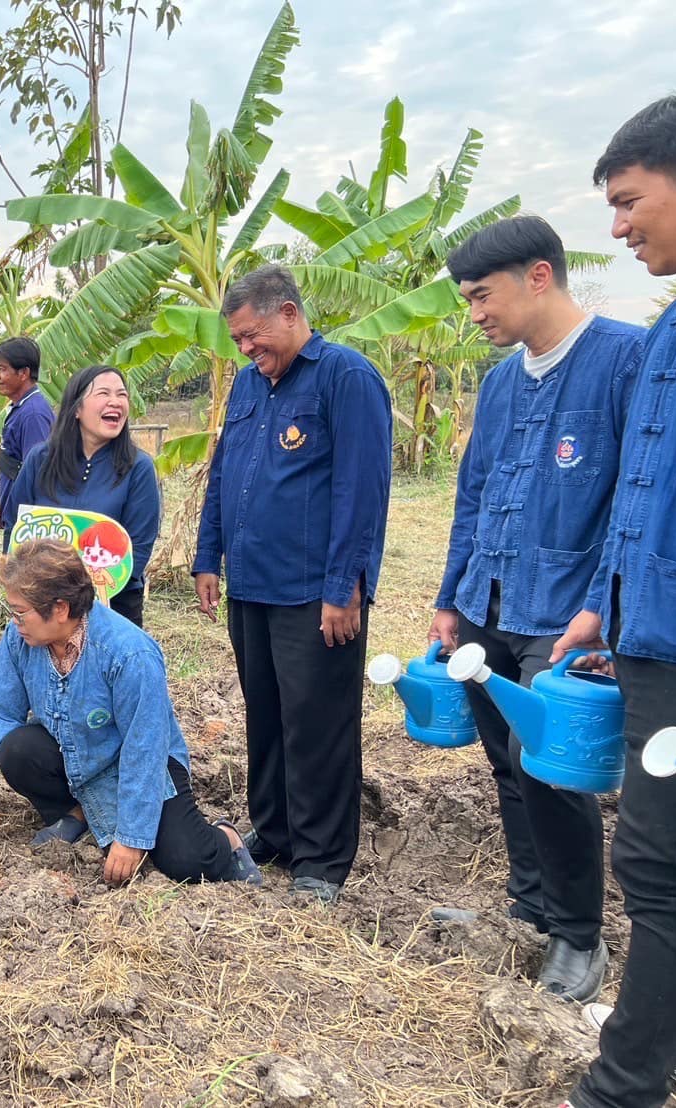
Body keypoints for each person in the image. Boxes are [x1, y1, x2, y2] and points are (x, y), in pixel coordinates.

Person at [426, 216, 643, 1003]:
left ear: (539, 276)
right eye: (467, 300)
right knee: (504, 762)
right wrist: (449, 599)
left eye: (482, 295)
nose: (475, 313)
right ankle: (530, 906)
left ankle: (578, 937)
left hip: (562, 616)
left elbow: (635, 499)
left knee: (548, 769)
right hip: (487, 600)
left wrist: (601, 608)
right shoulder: (499, 382)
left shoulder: (622, 360)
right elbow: (473, 494)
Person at [554, 89, 676, 1108]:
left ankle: (624, 1084)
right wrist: (609, 605)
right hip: (652, 638)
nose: (617, 227)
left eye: (630, 200)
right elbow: (645, 492)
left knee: (656, 861)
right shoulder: (671, 329)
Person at [192, 264, 392, 906]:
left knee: (318, 721)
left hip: (314, 592)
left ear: (288, 312)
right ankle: (275, 830)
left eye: (252, 335)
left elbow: (362, 491)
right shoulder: (249, 386)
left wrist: (344, 586)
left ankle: (321, 857)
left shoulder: (346, 377)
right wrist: (208, 556)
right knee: (268, 713)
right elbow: (224, 473)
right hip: (252, 583)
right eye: (237, 341)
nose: (246, 349)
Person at [0, 539, 261, 886]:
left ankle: (227, 839)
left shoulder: (130, 654)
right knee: (17, 749)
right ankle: (79, 813)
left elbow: (144, 749)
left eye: (20, 612)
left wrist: (132, 837)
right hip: (76, 753)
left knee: (185, 859)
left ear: (60, 609)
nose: (15, 623)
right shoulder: (20, 639)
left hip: (143, 764)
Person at [4, 364, 160, 626]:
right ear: (76, 408)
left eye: (122, 395)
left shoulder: (138, 467)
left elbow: (139, 547)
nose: (115, 402)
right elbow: (15, 526)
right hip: (43, 607)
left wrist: (85, 599)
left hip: (112, 608)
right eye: (104, 393)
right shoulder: (40, 459)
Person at [0, 337, 53, 527]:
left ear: (24, 373)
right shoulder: (22, 408)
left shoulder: (33, 415)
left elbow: (36, 474)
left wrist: (21, 519)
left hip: (25, 523)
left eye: (2, 369)